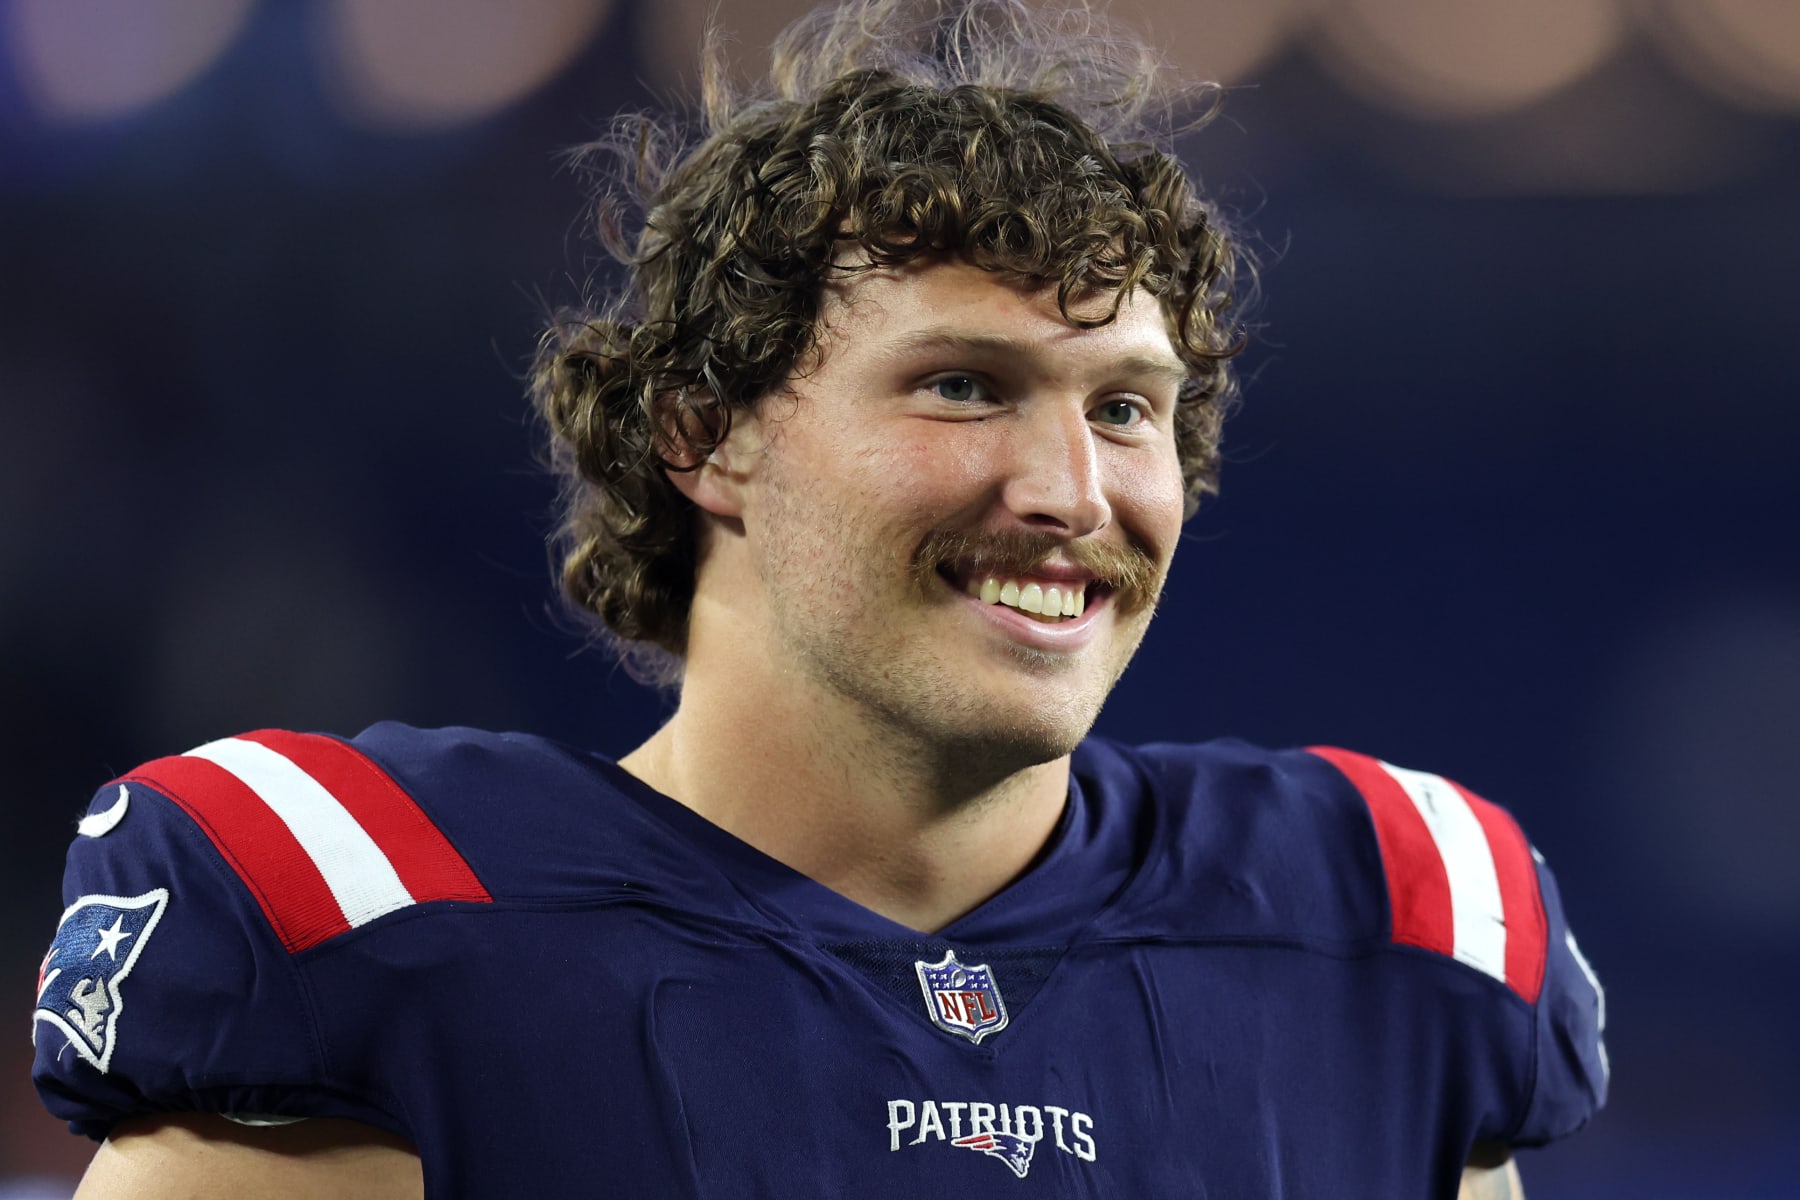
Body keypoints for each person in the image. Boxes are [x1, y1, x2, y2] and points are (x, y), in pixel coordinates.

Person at [31, 1, 1607, 1196]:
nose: (1072, 489)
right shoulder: (372, 911)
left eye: (1125, 407)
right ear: (705, 438)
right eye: (962, 386)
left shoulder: (1391, 928)